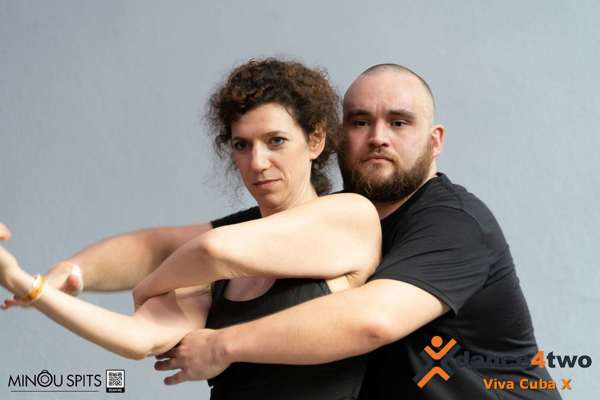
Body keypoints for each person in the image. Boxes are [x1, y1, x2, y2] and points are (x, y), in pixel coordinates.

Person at [145, 64, 561, 399]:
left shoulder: (456, 222)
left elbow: (373, 320)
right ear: (336, 137)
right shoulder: (329, 220)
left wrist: (221, 346)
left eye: (399, 123)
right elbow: (184, 244)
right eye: (360, 122)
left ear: (435, 141)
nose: (378, 138)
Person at [0, 58, 381, 399]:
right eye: (242, 145)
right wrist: (23, 282)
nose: (258, 162)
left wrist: (147, 287)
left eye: (276, 141)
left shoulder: (351, 216)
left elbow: (213, 251)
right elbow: (137, 338)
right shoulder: (207, 270)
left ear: (315, 140)